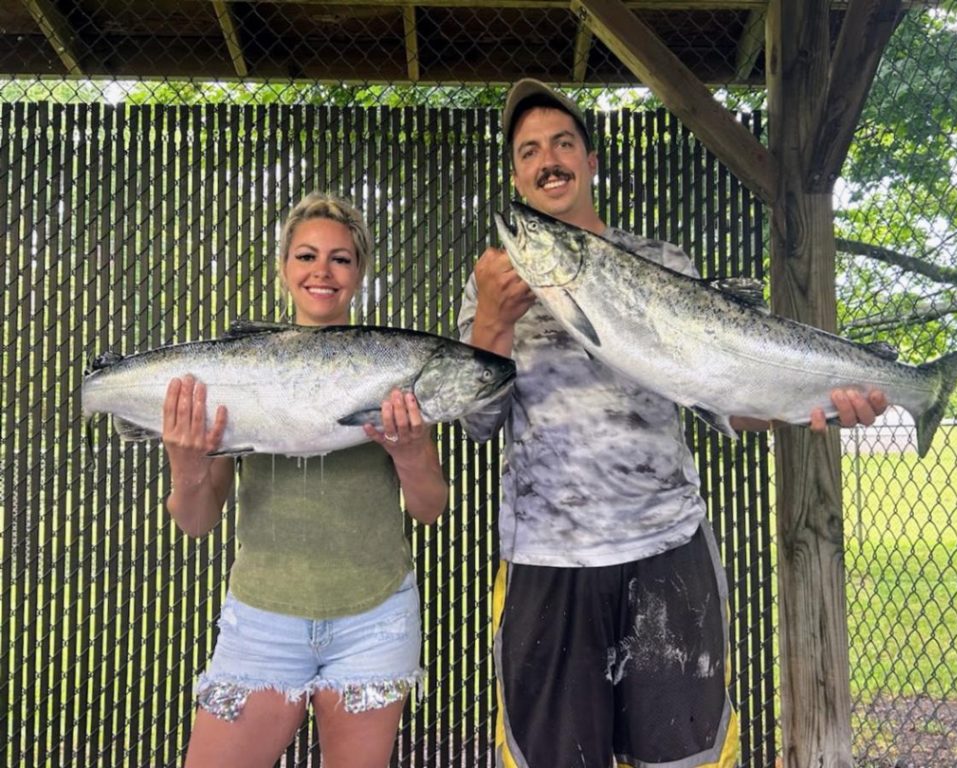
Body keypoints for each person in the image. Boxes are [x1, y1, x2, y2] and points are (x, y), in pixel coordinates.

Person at [457, 79, 889, 768]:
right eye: (530, 151)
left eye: (564, 142)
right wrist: (490, 322)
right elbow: (478, 422)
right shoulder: (491, 289)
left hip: (667, 545)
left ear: (590, 162)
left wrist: (818, 401)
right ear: (518, 175)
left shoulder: (663, 263)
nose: (549, 160)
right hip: (548, 559)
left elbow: (722, 400)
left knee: (683, 757)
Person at [163, 191, 448, 768]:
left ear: (360, 272)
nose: (323, 271)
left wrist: (413, 450)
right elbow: (196, 520)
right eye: (307, 256)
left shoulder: (387, 367)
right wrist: (186, 462)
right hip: (263, 620)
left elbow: (430, 507)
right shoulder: (237, 370)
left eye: (341, 258)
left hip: (375, 618)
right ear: (284, 268)